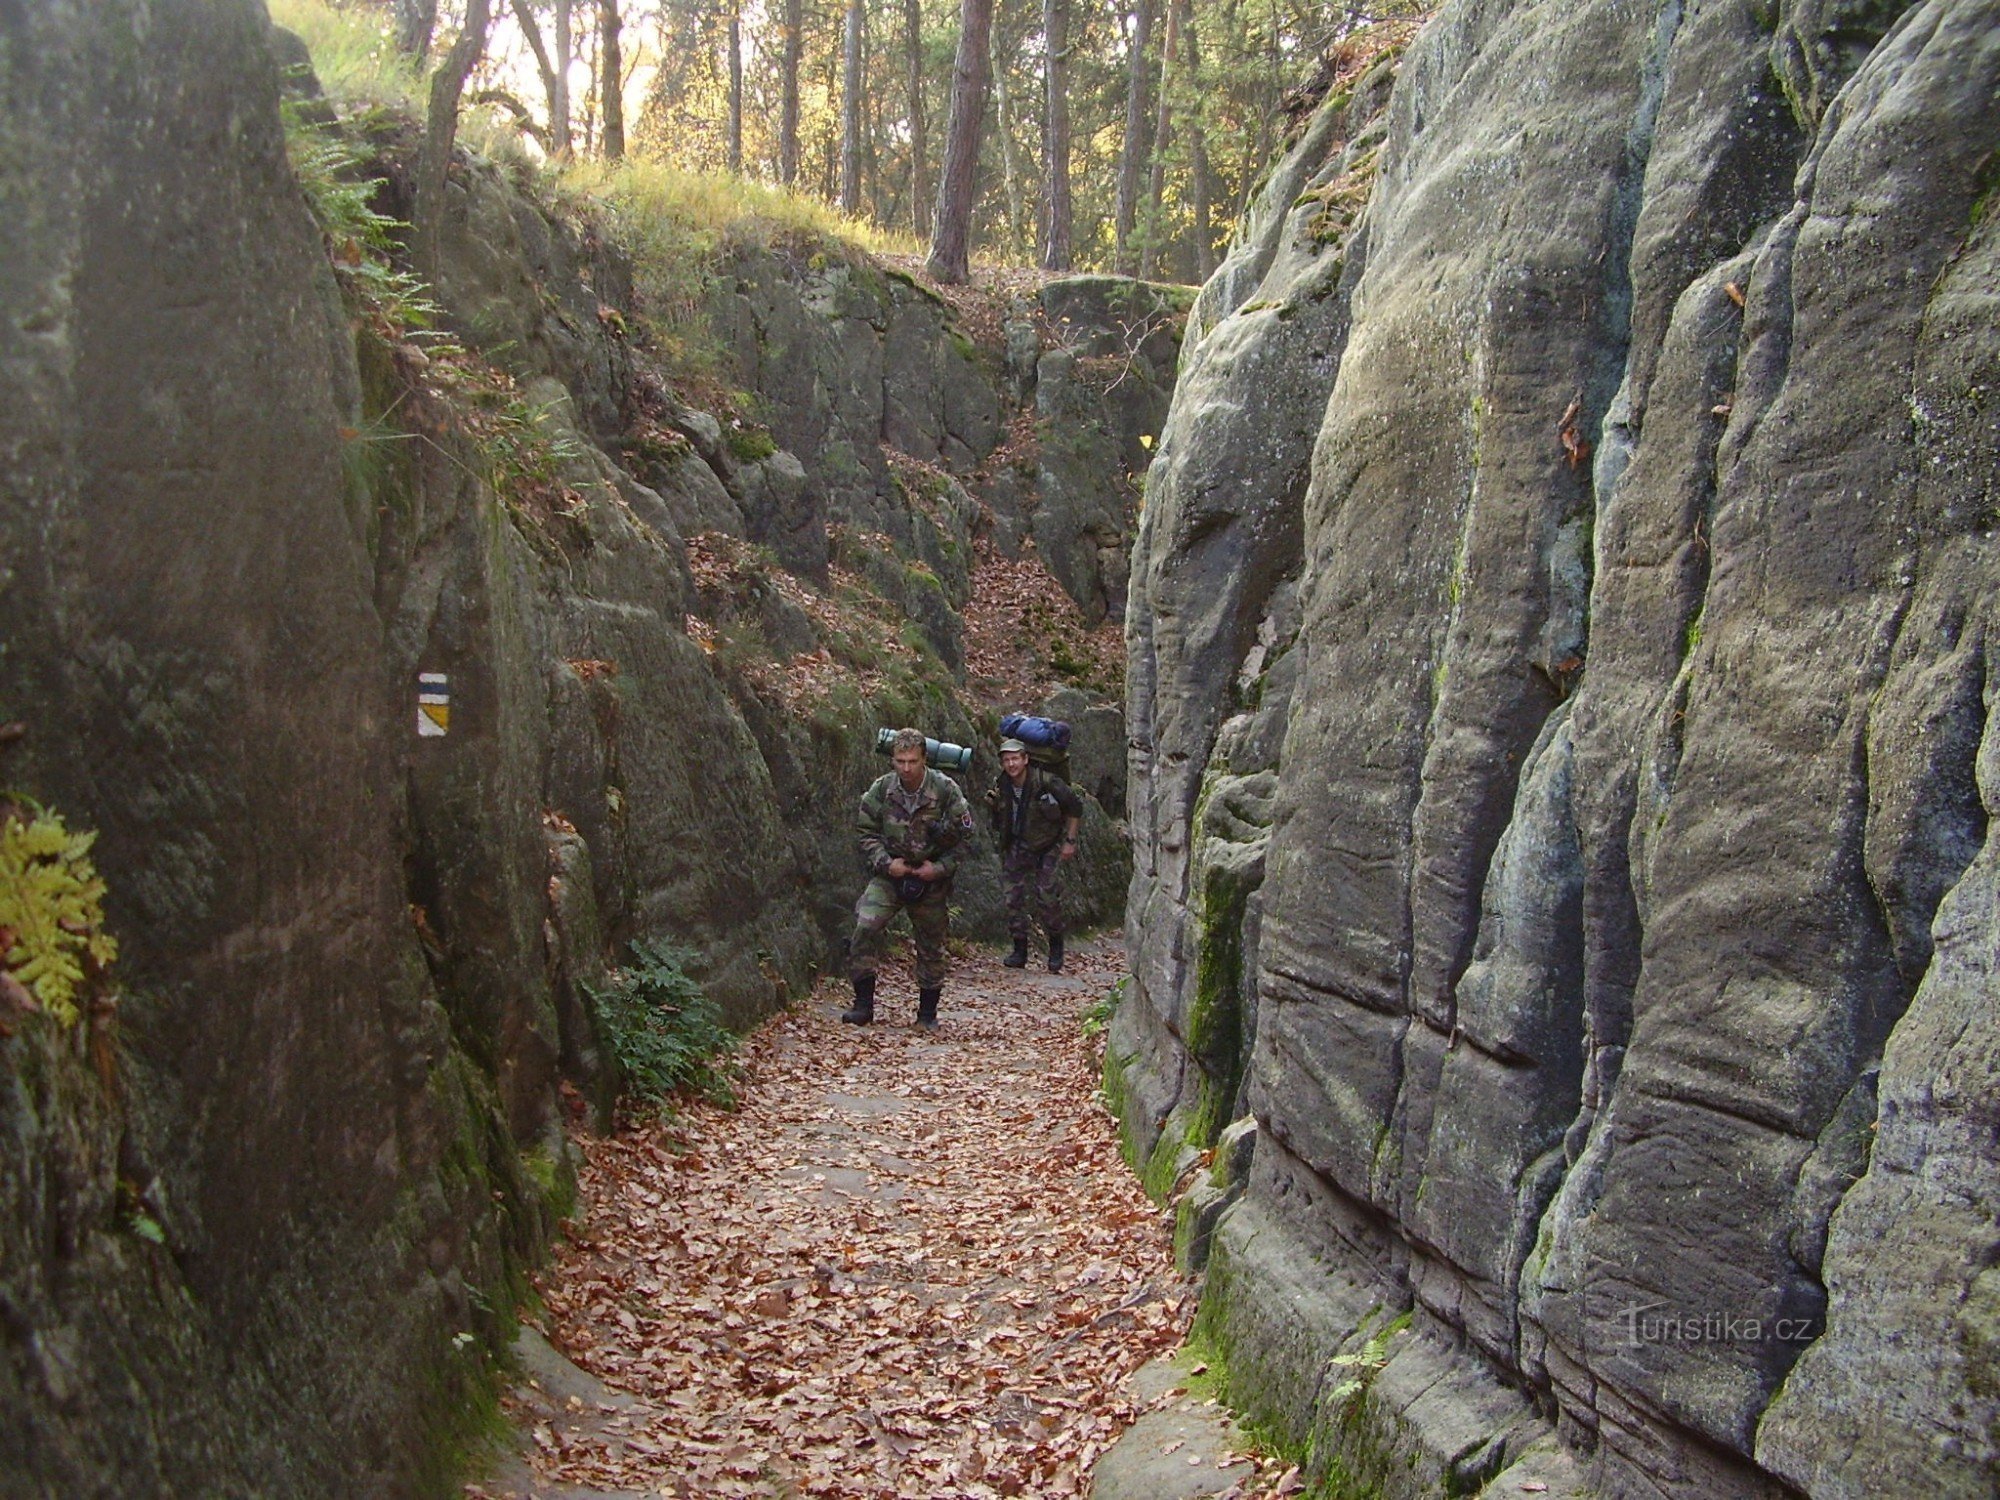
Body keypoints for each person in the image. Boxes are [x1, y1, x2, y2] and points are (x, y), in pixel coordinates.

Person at [843, 728, 974, 1030]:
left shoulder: (945, 790)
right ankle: (863, 1005)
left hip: (931, 878)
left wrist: (938, 869)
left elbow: (966, 839)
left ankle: (927, 1014)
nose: (905, 768)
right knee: (864, 926)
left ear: (924, 759)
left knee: (931, 944)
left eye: (912, 761)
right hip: (891, 874)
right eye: (900, 761)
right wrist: (887, 863)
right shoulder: (882, 789)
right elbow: (865, 832)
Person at [986, 737, 1082, 972]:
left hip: (1046, 845)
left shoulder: (1046, 781)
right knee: (1012, 899)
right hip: (1015, 844)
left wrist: (1070, 840)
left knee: (1047, 898)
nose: (1011, 764)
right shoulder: (1002, 784)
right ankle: (1019, 950)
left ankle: (1056, 950)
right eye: (1007, 760)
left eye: (1015, 759)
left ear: (1025, 759)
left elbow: (1074, 807)